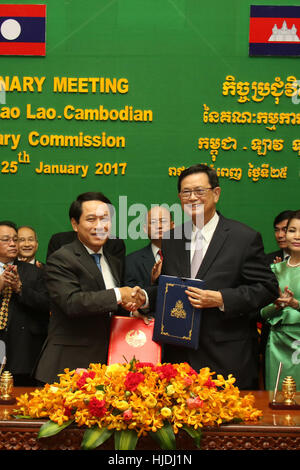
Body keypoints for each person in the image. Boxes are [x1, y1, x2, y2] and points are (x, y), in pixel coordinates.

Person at [147, 164, 279, 390]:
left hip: (226, 358)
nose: (192, 198)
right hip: (179, 359)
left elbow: (267, 288)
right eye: (186, 192)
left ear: (216, 194)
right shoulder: (172, 238)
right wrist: (145, 297)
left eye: (200, 191)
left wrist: (220, 298)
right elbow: (172, 288)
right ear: (179, 197)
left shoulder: (243, 238)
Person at [35, 192, 146, 384]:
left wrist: (130, 308)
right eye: (91, 219)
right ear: (75, 224)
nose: (99, 226)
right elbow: (72, 302)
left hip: (105, 365)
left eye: (105, 219)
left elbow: (107, 304)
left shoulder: (112, 259)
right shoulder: (62, 259)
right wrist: (119, 293)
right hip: (67, 367)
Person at [0, 221, 50, 386]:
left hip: (23, 350)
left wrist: (20, 288)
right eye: (6, 240)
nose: (13, 244)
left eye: (15, 239)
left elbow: (48, 304)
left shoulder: (35, 272)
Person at [261, 210, 300, 391]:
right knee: (276, 399)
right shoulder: (274, 269)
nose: (296, 236)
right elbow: (262, 312)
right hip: (277, 342)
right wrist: (277, 305)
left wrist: (295, 304)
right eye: (292, 230)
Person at [125, 205, 174, 289]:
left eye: (163, 221)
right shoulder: (131, 261)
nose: (159, 226)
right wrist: (152, 282)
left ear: (172, 226)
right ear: (145, 229)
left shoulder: (184, 257)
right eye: (153, 222)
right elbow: (132, 296)